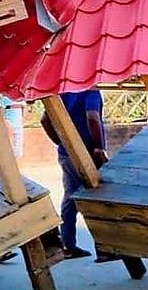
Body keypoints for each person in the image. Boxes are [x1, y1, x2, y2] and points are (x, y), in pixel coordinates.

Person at [41, 90, 108, 259]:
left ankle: (68, 245)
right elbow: (92, 117)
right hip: (86, 154)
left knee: (70, 198)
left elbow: (44, 120)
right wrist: (99, 147)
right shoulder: (91, 91)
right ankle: (105, 249)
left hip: (65, 153)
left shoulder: (62, 91)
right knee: (94, 197)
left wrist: (61, 141)